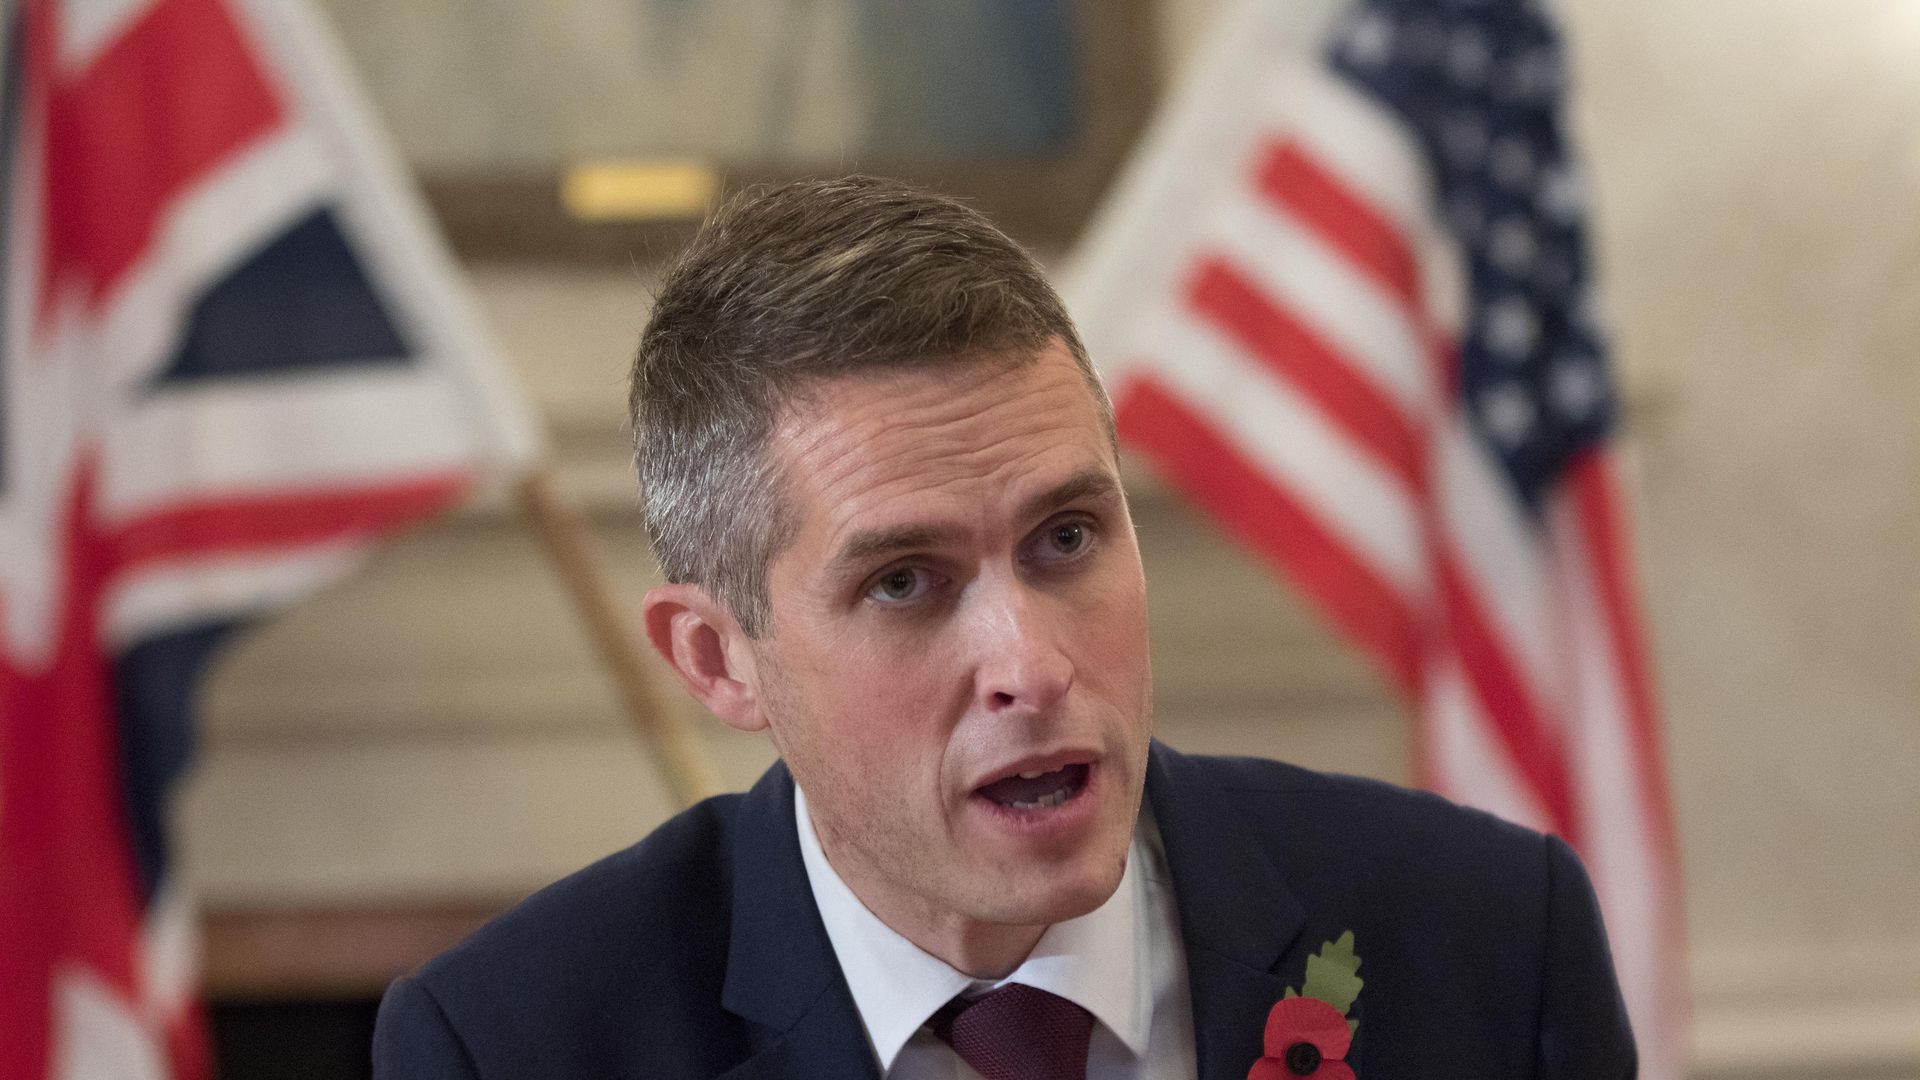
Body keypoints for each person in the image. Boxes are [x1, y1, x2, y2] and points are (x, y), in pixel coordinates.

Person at [373, 177, 1636, 1079]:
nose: (1031, 666)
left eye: (1068, 539)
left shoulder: (1487, 939)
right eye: (905, 584)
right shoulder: (512, 1042)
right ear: (719, 658)